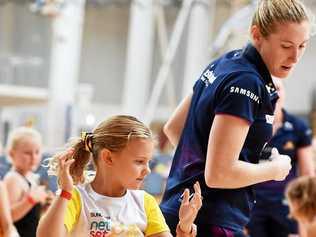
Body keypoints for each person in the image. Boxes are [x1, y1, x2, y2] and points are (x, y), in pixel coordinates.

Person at [159, 0, 313, 236]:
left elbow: (174, 128)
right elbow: (218, 173)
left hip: (179, 210)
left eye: (303, 46)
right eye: (286, 46)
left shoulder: (225, 62)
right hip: (210, 220)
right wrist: (274, 169)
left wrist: (209, 161)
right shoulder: (247, 82)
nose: (295, 57)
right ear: (257, 34)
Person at [37, 115, 202, 237]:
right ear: (108, 157)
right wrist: (65, 191)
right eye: (139, 162)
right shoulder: (76, 197)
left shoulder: (145, 202)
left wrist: (184, 228)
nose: (147, 170)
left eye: (148, 162)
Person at [247, 78, 315, 237]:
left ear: (284, 93)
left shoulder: (298, 126)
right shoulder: (247, 124)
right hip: (254, 201)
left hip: (287, 202)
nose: (273, 93)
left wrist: (307, 211)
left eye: (277, 88)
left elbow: (307, 173)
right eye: (268, 88)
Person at [3, 127, 49, 237]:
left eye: (37, 152)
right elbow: (8, 217)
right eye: (27, 153)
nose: (33, 157)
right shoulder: (13, 179)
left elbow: (30, 215)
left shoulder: (31, 177)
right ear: (11, 154)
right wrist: (31, 200)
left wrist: (44, 205)